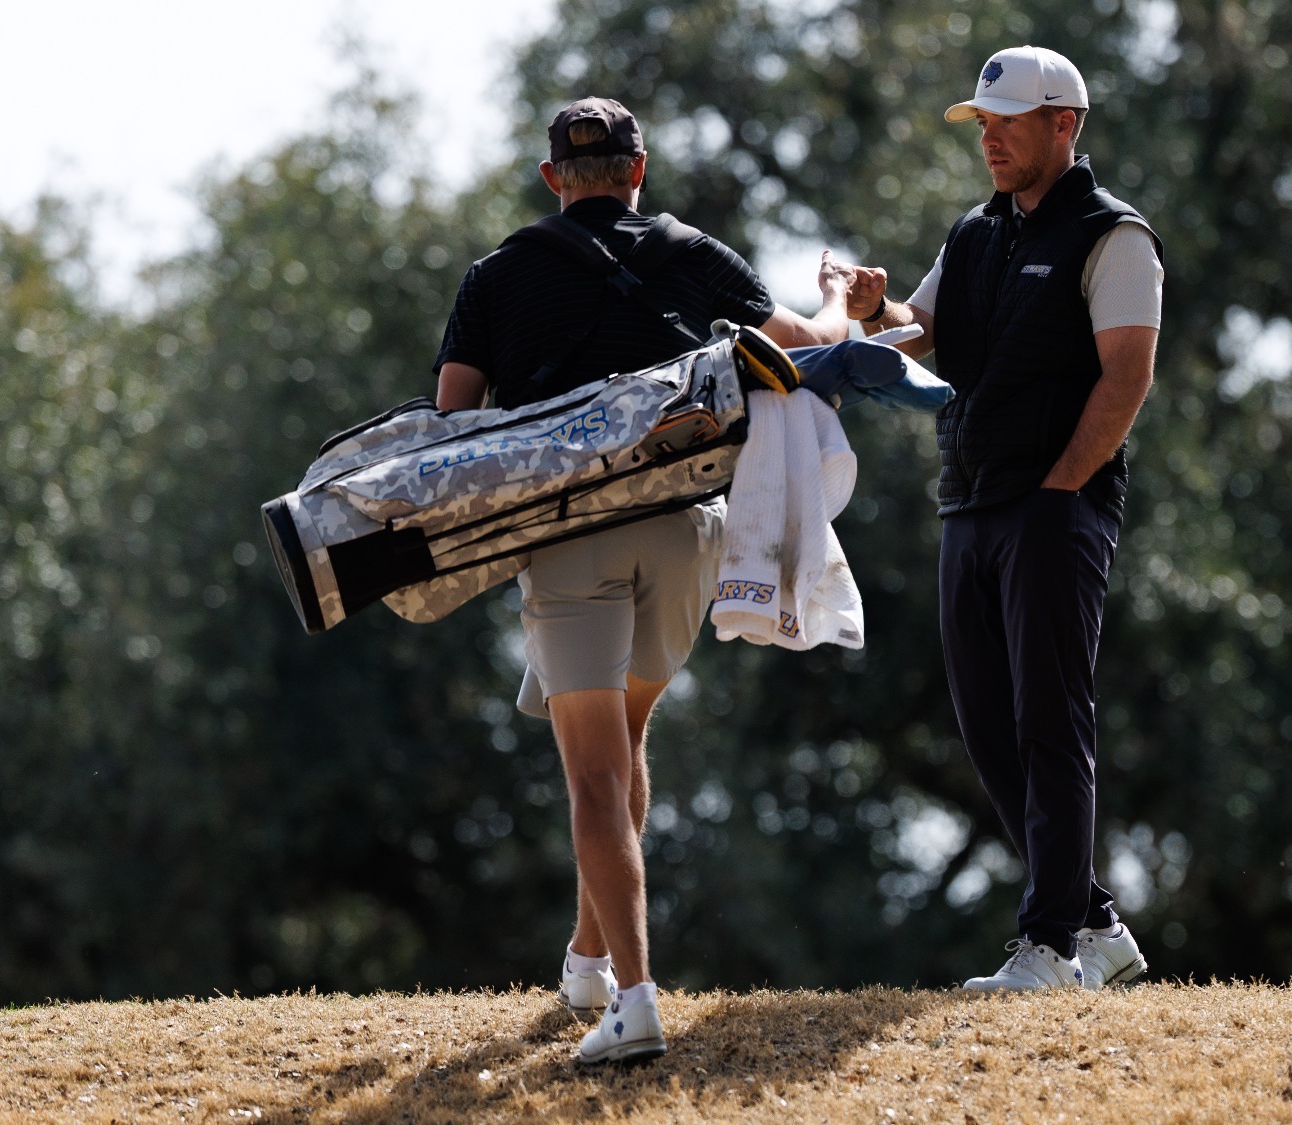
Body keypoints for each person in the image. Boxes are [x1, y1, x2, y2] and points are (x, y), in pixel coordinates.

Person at [431, 96, 882, 1062]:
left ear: (555, 180)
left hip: (569, 535)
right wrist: (846, 292)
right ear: (639, 170)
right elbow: (814, 351)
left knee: (593, 770)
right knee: (627, 739)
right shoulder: (696, 256)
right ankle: (588, 960)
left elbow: (451, 426)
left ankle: (633, 998)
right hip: (688, 534)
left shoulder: (497, 277)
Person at [857, 46, 1164, 991]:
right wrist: (874, 312)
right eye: (981, 124)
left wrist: (1062, 487)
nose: (988, 138)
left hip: (1054, 507)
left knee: (1048, 720)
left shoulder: (1115, 236)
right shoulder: (978, 230)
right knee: (987, 723)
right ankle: (1099, 925)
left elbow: (1127, 376)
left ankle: (1050, 945)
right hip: (970, 501)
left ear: (1064, 125)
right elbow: (920, 329)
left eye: (1007, 122)